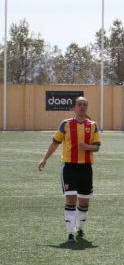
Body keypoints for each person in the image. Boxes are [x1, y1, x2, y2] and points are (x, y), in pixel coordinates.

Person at [38, 96, 101, 243]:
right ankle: (70, 234)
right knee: (71, 199)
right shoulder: (65, 124)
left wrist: (87, 147)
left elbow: (97, 147)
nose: (82, 107)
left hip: (86, 168)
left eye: (85, 104)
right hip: (69, 168)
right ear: (74, 108)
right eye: (79, 104)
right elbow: (55, 143)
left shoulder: (93, 125)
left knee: (84, 202)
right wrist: (44, 159)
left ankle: (80, 229)